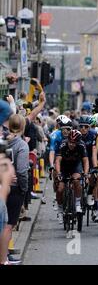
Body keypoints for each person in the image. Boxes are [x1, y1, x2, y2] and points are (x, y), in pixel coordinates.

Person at [0, 114, 29, 265]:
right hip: (14, 188)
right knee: (8, 224)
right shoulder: (22, 145)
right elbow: (23, 170)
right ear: (23, 127)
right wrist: (24, 188)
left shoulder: (2, 141)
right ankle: (3, 258)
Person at [55, 130, 89, 222]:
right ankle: (60, 209)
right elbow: (58, 160)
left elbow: (85, 161)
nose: (71, 144)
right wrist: (58, 173)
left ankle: (77, 203)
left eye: (74, 143)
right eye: (70, 142)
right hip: (64, 167)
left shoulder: (81, 146)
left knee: (76, 180)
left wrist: (85, 174)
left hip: (76, 166)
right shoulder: (63, 145)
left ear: (78, 142)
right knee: (60, 189)